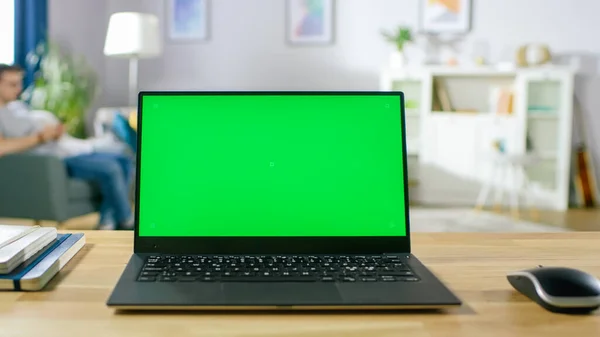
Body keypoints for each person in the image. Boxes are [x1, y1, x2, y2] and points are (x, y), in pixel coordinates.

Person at [0, 64, 133, 230]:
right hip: (53, 160)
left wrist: (54, 132)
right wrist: (41, 137)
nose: (18, 89)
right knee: (112, 166)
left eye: (19, 83)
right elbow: (2, 147)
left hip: (64, 148)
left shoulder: (17, 106)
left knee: (124, 159)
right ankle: (126, 220)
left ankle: (108, 221)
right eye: (12, 85)